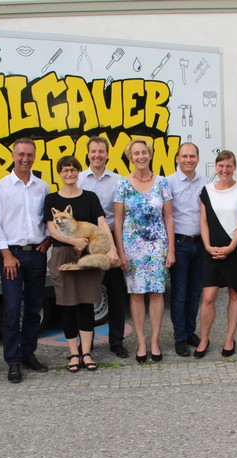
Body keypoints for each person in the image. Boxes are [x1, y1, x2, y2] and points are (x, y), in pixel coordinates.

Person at [44, 156, 118, 373]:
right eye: (65, 170)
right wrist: (73, 242)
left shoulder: (90, 197)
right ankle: (73, 353)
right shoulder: (51, 199)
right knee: (67, 305)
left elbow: (102, 223)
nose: (69, 174)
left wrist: (112, 249)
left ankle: (86, 352)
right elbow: (52, 230)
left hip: (88, 251)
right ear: (59, 173)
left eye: (73, 170)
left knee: (87, 304)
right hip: (63, 253)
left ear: (78, 172)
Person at [0, 137, 51, 383]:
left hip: (36, 254)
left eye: (29, 155)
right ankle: (13, 360)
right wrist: (5, 254)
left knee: (34, 307)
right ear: (13, 156)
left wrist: (48, 241)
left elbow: (48, 219)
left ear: (34, 157)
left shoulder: (42, 187)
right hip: (11, 255)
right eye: (21, 154)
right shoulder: (0, 188)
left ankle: (28, 353)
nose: (25, 159)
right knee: (13, 309)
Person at [114, 138, 175, 363]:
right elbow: (118, 220)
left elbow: (169, 217)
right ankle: (141, 342)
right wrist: (120, 252)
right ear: (130, 158)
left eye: (144, 152)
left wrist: (171, 250)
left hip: (158, 247)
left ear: (150, 154)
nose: (141, 156)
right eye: (136, 153)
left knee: (157, 293)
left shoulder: (162, 183)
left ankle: (155, 341)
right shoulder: (122, 184)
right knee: (137, 294)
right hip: (132, 249)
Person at [196, 150, 237, 358]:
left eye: (229, 166)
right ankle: (204, 338)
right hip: (211, 250)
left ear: (234, 167)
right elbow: (203, 221)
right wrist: (207, 246)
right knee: (208, 297)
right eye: (221, 166)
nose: (225, 170)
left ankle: (229, 338)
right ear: (216, 167)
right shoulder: (207, 190)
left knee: (234, 294)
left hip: (235, 251)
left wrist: (230, 247)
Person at [79, 137, 130, 359]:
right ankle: (86, 344)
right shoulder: (79, 179)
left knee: (116, 294)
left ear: (108, 154)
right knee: (87, 295)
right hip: (87, 243)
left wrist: (118, 248)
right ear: (88, 154)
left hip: (111, 241)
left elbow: (123, 215)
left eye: (101, 151)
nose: (97, 155)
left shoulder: (118, 181)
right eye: (93, 151)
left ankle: (116, 341)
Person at [167, 142, 208, 357]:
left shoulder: (206, 183)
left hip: (200, 244)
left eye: (192, 156)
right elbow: (165, 216)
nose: (188, 160)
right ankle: (180, 337)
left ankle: (191, 332)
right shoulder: (168, 183)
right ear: (177, 158)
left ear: (198, 159)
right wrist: (170, 249)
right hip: (180, 244)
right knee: (180, 293)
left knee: (195, 293)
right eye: (184, 156)